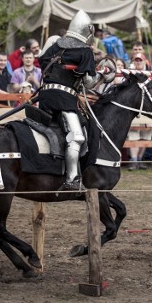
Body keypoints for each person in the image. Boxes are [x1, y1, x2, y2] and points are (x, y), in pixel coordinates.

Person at [38, 10, 112, 191]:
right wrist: (103, 73)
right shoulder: (84, 50)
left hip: (45, 96)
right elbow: (89, 82)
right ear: (88, 31)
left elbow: (43, 65)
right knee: (77, 137)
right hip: (64, 99)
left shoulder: (55, 44)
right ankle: (72, 179)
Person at [127, 52, 152, 170]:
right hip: (135, 108)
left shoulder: (151, 75)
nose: (138, 62)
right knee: (133, 134)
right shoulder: (130, 75)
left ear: (145, 62)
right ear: (133, 62)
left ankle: (140, 159)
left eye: (140, 60)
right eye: (136, 60)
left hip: (148, 109)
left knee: (146, 135)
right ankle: (134, 160)